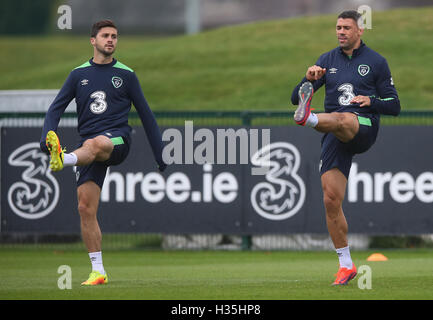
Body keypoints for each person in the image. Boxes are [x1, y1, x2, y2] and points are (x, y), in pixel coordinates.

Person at [40, 20, 166, 286]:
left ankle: (63, 159)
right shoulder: (77, 75)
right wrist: (44, 139)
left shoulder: (127, 75)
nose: (111, 40)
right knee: (85, 208)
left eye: (115, 36)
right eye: (105, 35)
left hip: (117, 141)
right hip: (88, 148)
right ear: (93, 41)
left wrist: (160, 154)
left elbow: (146, 115)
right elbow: (54, 109)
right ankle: (98, 271)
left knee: (97, 143)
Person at [291, 10, 400, 285]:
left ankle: (310, 118)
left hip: (362, 125)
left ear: (360, 31)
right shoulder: (326, 60)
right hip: (333, 133)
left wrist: (372, 101)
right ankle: (346, 265)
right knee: (330, 199)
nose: (341, 32)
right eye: (338, 27)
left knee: (342, 117)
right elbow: (296, 98)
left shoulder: (376, 62)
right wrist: (307, 79)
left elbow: (395, 106)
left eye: (347, 28)